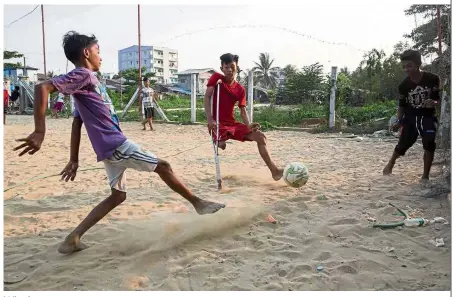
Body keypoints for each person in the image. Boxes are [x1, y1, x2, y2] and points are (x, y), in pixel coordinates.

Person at [14, 31, 225, 254]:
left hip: (109, 148)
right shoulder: (82, 75)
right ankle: (198, 203)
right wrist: (39, 131)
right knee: (163, 166)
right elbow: (42, 87)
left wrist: (74, 159)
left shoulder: (86, 85)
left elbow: (77, 123)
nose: (101, 57)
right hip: (115, 145)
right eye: (98, 51)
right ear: (86, 53)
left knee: (118, 195)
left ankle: (73, 238)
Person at [203, 53, 283, 181]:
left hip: (232, 124)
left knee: (261, 137)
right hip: (217, 123)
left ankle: (274, 171)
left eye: (232, 67)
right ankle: (218, 139)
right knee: (222, 145)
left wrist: (249, 125)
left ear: (237, 67)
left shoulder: (240, 89)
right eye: (226, 67)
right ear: (222, 68)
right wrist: (209, 119)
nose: (229, 70)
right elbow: (207, 97)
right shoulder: (216, 78)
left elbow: (243, 111)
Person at [383, 49, 441, 181]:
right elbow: (402, 105)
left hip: (427, 117)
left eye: (409, 66)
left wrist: (434, 102)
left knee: (429, 144)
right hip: (410, 118)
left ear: (417, 64)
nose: (406, 69)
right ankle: (391, 163)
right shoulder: (403, 86)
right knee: (403, 144)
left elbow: (438, 99)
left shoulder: (433, 79)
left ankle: (425, 176)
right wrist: (398, 121)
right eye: (404, 66)